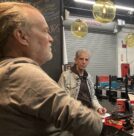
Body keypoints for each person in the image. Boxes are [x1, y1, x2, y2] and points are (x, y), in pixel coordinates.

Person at [0, 2, 102, 136]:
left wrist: (98, 108)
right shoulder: (20, 72)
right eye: (45, 31)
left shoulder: (6, 70)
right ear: (22, 36)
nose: (51, 39)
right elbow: (89, 124)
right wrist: (96, 120)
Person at [58, 49, 107, 114]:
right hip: (74, 114)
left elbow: (92, 97)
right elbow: (61, 98)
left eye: (86, 60)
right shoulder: (65, 76)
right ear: (76, 60)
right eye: (81, 59)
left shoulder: (88, 77)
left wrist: (99, 108)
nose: (84, 62)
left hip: (89, 113)